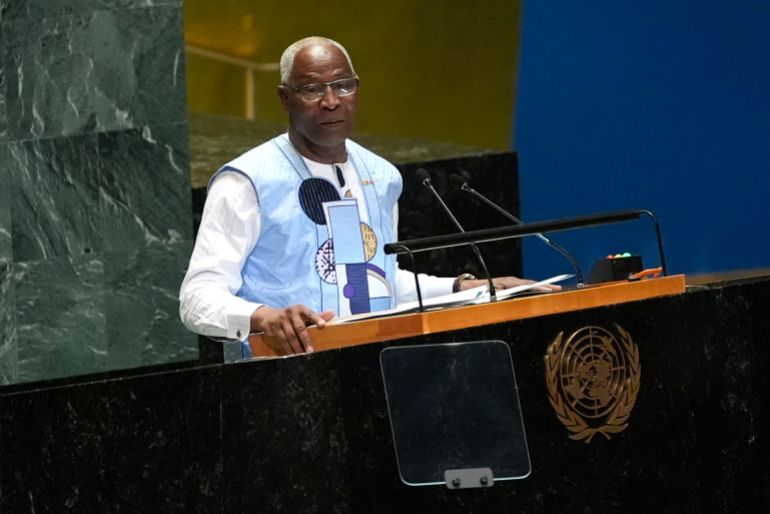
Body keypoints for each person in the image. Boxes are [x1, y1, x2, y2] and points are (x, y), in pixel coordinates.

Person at [179, 36, 556, 356]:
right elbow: (198, 298)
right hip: (280, 385)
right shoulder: (247, 182)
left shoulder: (380, 176)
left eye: (343, 85)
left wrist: (466, 287)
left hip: (375, 373)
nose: (331, 101)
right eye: (312, 89)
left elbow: (377, 281)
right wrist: (263, 317)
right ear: (284, 98)